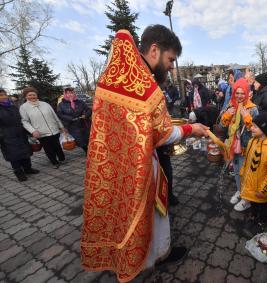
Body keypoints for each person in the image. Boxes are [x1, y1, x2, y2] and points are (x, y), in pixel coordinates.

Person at [80, 26, 208, 283]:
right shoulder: (146, 86)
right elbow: (161, 135)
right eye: (170, 60)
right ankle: (139, 264)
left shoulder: (114, 77)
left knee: (122, 214)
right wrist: (190, 129)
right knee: (144, 215)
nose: (171, 67)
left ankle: (145, 255)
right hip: (139, 168)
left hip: (112, 165)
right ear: (154, 50)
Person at [238, 112, 267, 230]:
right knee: (253, 202)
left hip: (261, 189)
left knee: (263, 205)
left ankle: (262, 222)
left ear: (265, 128)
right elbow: (247, 159)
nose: (251, 128)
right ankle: (253, 216)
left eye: (255, 126)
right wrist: (243, 171)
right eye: (251, 125)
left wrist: (264, 190)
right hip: (251, 183)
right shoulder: (253, 141)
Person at [220, 78, 259, 210]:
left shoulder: (252, 109)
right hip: (233, 146)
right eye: (237, 93)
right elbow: (222, 125)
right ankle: (239, 190)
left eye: (243, 93)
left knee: (245, 173)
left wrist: (247, 118)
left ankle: (247, 199)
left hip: (246, 148)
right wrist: (226, 116)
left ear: (247, 93)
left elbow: (256, 131)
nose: (240, 96)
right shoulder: (231, 106)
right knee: (236, 171)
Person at [19, 87, 66, 168]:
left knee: (57, 145)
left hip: (54, 129)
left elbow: (54, 116)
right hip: (41, 132)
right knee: (48, 148)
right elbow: (25, 121)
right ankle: (54, 162)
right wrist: (33, 131)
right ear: (25, 96)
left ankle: (62, 158)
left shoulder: (45, 104)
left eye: (34, 94)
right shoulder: (23, 108)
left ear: (37, 95)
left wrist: (61, 126)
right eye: (29, 95)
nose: (32, 96)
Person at [0, 88, 39, 181]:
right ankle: (19, 173)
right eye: (1, 95)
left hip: (20, 133)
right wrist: (2, 136)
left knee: (25, 153)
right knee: (14, 156)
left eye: (4, 94)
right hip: (7, 136)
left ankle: (28, 169)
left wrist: (29, 132)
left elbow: (21, 120)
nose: (4, 96)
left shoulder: (12, 106)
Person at [57, 87, 92, 154]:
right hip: (72, 125)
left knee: (88, 138)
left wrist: (86, 115)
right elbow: (60, 114)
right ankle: (87, 152)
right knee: (80, 140)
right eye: (68, 93)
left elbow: (89, 110)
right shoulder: (61, 105)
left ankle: (91, 150)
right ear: (65, 94)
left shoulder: (80, 102)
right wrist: (70, 118)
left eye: (72, 93)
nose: (70, 94)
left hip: (84, 124)